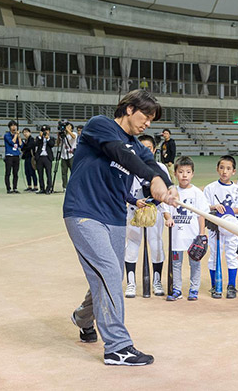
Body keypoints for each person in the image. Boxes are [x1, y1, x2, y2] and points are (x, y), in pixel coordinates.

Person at [65, 89, 177, 366]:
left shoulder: (139, 146)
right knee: (110, 272)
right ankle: (118, 346)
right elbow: (121, 154)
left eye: (152, 119)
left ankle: (82, 317)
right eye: (146, 116)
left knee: (105, 277)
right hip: (84, 212)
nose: (148, 123)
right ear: (129, 109)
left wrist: (167, 185)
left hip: (115, 217)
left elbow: (152, 164)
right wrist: (152, 177)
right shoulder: (100, 125)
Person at [124, 135, 171, 298]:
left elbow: (165, 191)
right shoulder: (128, 167)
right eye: (141, 148)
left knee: (156, 244)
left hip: (154, 212)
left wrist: (157, 206)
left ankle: (156, 281)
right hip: (134, 211)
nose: (144, 151)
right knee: (133, 244)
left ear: (154, 150)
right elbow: (123, 191)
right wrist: (135, 201)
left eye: (148, 148)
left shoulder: (160, 168)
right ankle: (131, 283)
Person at [166, 156, 208, 301]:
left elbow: (201, 214)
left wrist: (202, 234)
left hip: (193, 236)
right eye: (181, 172)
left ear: (192, 174)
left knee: (195, 263)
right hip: (177, 236)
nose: (184, 175)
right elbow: (166, 209)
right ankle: (177, 289)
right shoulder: (172, 192)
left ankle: (194, 289)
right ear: (176, 174)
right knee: (176, 264)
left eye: (188, 172)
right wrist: (168, 218)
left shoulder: (197, 193)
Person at [204, 155, 238, 299]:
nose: (224, 172)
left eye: (228, 169)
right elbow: (205, 207)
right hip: (215, 228)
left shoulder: (237, 189)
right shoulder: (210, 188)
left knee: (231, 256)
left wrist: (226, 212)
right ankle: (216, 285)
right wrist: (214, 207)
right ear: (217, 169)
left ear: (234, 171)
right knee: (214, 256)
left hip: (232, 228)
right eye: (221, 168)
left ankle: (231, 285)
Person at [34, 125, 55, 194]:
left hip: (47, 157)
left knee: (48, 173)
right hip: (39, 157)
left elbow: (52, 145)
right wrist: (40, 137)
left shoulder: (51, 138)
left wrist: (47, 138)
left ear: (49, 131)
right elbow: (36, 144)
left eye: (46, 131)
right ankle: (42, 188)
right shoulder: (38, 138)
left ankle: (48, 188)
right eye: (43, 131)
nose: (45, 132)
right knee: (40, 174)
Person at [3, 120, 22, 194]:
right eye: (12, 125)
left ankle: (15, 187)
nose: (14, 127)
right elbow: (12, 142)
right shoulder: (7, 135)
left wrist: (19, 137)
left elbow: (21, 145)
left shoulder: (17, 135)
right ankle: (8, 188)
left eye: (15, 125)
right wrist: (16, 135)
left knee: (15, 173)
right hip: (9, 156)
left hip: (16, 155)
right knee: (8, 173)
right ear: (9, 127)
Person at [57, 122, 77, 190]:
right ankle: (65, 186)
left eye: (69, 126)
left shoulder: (74, 134)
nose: (67, 127)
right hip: (63, 155)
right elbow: (58, 144)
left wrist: (67, 130)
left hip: (71, 155)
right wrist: (58, 136)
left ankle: (74, 185)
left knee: (73, 171)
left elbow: (73, 137)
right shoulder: (63, 135)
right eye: (66, 126)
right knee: (64, 172)